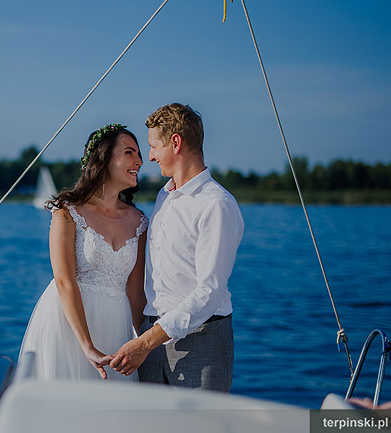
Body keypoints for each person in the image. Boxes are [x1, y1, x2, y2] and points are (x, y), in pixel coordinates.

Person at [110, 103, 244, 391]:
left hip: (202, 340)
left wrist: (145, 342)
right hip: (152, 339)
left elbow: (209, 292)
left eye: (153, 146)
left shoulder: (217, 205)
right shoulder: (165, 196)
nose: (150, 156)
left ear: (175, 142)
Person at [18, 124, 148, 380]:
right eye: (130, 153)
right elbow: (64, 280)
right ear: (104, 158)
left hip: (116, 327)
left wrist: (144, 345)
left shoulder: (139, 221)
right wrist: (86, 345)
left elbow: (136, 293)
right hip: (66, 326)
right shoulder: (67, 211)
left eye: (139, 154)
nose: (140, 161)